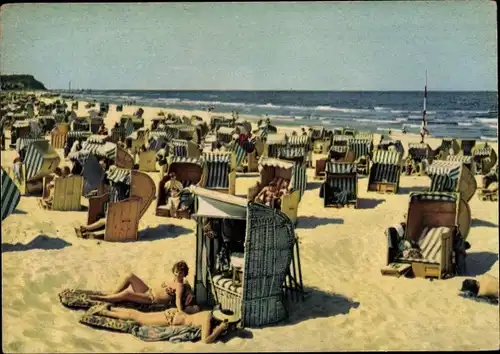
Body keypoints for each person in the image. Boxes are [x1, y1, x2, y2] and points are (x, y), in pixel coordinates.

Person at [89, 305, 229, 344]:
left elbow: (194, 309)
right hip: (172, 320)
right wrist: (220, 329)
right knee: (139, 318)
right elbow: (206, 340)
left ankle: (111, 309)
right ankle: (105, 313)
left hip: (174, 314)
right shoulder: (207, 320)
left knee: (137, 314)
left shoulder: (207, 312)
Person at [90, 261, 196, 311]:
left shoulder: (180, 286)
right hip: (148, 291)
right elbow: (187, 286)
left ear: (184, 273)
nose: (178, 274)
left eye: (181, 273)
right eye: (177, 271)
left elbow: (178, 299)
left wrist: (181, 311)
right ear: (174, 271)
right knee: (130, 276)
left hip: (151, 299)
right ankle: (113, 294)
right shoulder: (174, 281)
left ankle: (104, 298)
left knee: (127, 293)